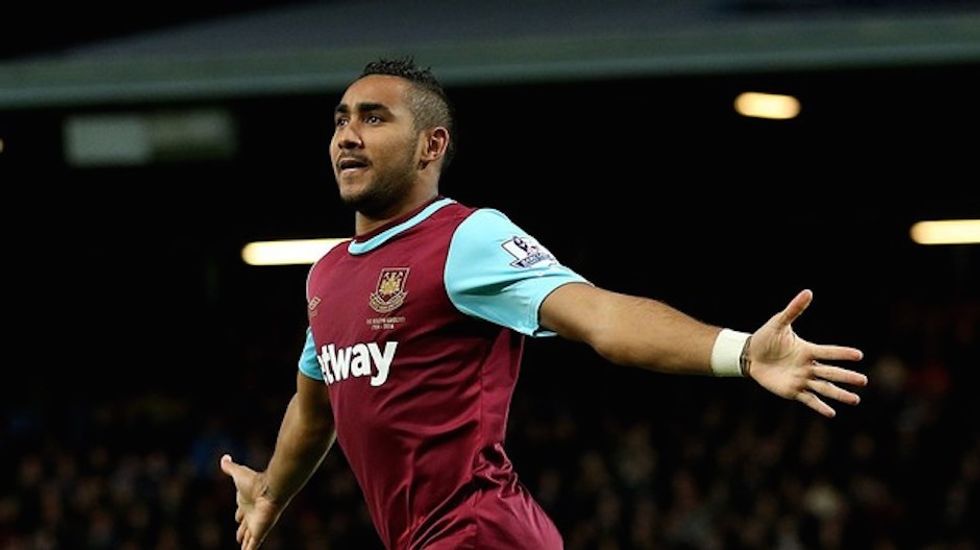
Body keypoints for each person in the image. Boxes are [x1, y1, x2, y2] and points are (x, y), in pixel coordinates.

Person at [219, 57, 868, 550]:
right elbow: (315, 409)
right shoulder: (326, 274)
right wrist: (272, 490)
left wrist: (742, 351)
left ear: (432, 146)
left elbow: (602, 317)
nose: (347, 135)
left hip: (484, 535)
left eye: (374, 118)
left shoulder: (466, 238)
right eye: (341, 119)